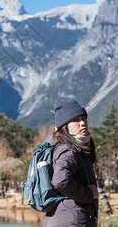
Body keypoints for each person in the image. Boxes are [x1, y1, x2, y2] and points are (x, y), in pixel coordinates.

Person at [43, 97, 98, 227]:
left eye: (83, 118)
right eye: (76, 120)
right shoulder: (69, 150)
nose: (83, 123)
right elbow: (61, 181)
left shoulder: (75, 148)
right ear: (65, 126)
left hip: (68, 218)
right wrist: (88, 194)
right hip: (71, 221)